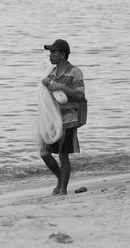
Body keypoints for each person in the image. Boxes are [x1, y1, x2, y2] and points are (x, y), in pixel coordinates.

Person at [40, 39, 87, 196]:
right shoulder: (50, 73)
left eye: (53, 52)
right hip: (51, 118)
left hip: (68, 118)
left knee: (63, 155)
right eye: (50, 52)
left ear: (62, 54)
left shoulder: (75, 72)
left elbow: (80, 95)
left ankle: (63, 190)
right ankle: (60, 179)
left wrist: (60, 87)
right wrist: (45, 84)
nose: (50, 55)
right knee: (44, 153)